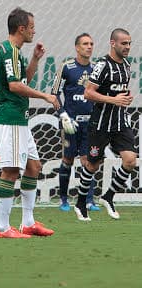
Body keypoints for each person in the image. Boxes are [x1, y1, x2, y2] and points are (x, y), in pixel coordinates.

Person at [0, 7, 60, 238]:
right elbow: (14, 87)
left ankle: (28, 222)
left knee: (33, 167)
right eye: (31, 27)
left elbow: (23, 80)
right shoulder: (9, 51)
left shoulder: (16, 52)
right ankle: (2, 227)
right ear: (21, 29)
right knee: (10, 171)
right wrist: (46, 96)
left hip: (19, 117)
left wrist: (35, 59)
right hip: (9, 116)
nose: (34, 31)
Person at [74, 28, 135, 221]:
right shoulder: (102, 65)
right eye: (124, 43)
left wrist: (126, 99)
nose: (127, 47)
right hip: (100, 124)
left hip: (120, 123)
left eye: (129, 43)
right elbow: (88, 93)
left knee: (130, 160)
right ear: (113, 43)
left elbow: (120, 93)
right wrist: (113, 100)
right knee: (92, 165)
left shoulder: (126, 65)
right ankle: (81, 203)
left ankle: (108, 196)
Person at [51, 33, 100, 212]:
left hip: (90, 125)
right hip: (70, 124)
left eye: (91, 44)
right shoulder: (67, 67)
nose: (89, 47)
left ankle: (88, 201)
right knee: (68, 159)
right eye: (85, 44)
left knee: (89, 161)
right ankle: (63, 200)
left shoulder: (97, 69)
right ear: (77, 47)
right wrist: (63, 115)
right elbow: (54, 94)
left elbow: (101, 95)